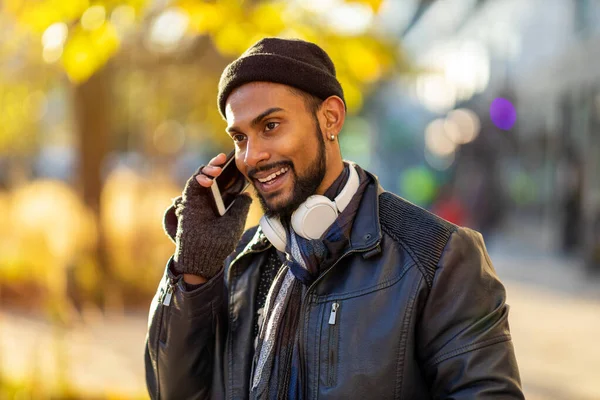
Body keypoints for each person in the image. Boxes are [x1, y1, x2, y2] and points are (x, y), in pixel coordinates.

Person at [144, 38, 524, 400]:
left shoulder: (439, 256)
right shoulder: (238, 262)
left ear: (330, 118)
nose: (251, 156)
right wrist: (192, 270)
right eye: (240, 138)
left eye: (270, 126)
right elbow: (172, 392)